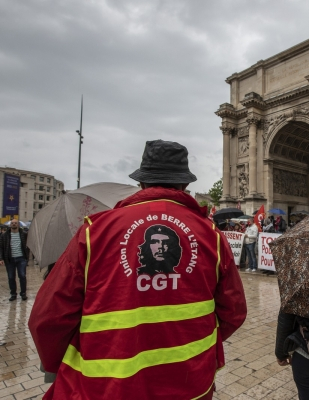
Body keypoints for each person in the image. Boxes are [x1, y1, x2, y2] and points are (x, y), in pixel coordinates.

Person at [28, 140, 247, 399]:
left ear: (141, 183)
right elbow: (234, 311)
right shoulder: (211, 235)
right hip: (190, 385)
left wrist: (58, 365)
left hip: (106, 387)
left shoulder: (95, 231)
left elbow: (47, 318)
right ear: (185, 185)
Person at [0, 219, 29, 301]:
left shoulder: (23, 234)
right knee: (11, 277)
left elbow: (28, 245)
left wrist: (26, 255)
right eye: (12, 223)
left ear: (18, 225)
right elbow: (1, 247)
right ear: (10, 225)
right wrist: (1, 258)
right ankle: (13, 294)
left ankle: (23, 293)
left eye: (15, 223)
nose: (13, 224)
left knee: (22, 276)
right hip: (9, 259)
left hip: (21, 258)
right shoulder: (5, 235)